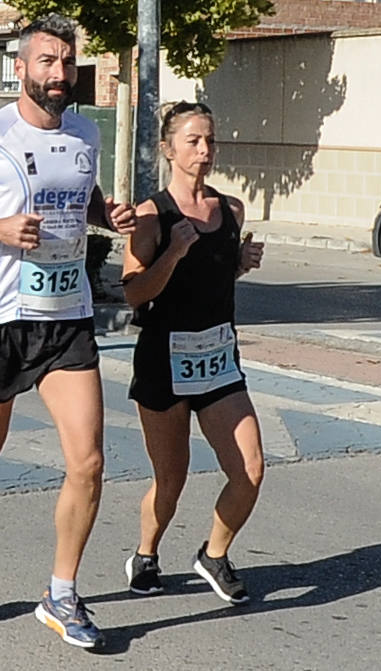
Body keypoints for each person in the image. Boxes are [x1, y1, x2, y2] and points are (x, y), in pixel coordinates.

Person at [0, 13, 135, 650]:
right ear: (21, 67)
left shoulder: (87, 134)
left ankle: (61, 593)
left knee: (89, 461)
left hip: (66, 319)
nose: (59, 74)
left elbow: (79, 197)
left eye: (66, 62)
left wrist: (105, 212)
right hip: (1, 319)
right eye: (46, 62)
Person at [121, 101, 266, 605]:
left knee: (250, 469)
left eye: (209, 140)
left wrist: (239, 262)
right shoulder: (151, 215)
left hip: (218, 359)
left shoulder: (230, 210)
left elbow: (216, 276)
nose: (204, 151)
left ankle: (214, 555)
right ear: (168, 150)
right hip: (164, 358)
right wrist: (174, 251)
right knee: (171, 480)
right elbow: (134, 292)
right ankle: (145, 553)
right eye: (192, 141)